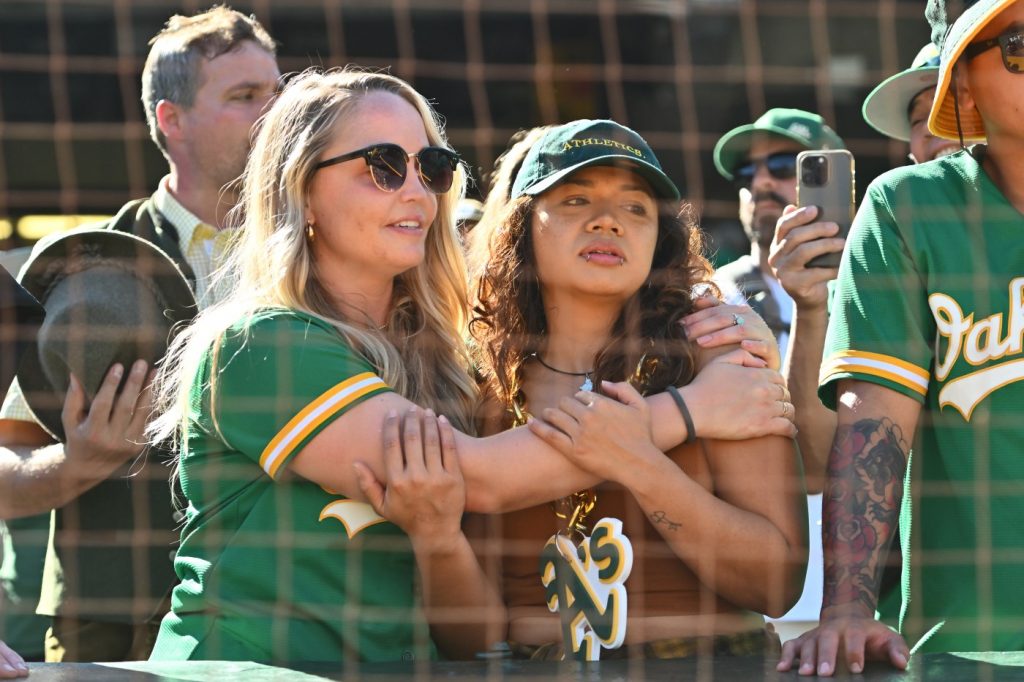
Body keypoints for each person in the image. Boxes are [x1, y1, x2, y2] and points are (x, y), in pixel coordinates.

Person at [145, 69, 799, 664]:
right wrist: (685, 413)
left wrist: (778, 332)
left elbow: (793, 532)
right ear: (301, 191)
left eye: (430, 166)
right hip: (256, 669)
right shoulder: (265, 346)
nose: (415, 190)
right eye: (381, 165)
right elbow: (476, 479)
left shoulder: (449, 362)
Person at [452, 119, 807, 659]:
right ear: (523, 227)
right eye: (574, 200)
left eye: (635, 207)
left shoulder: (719, 357)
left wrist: (640, 463)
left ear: (658, 239)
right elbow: (469, 624)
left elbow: (777, 585)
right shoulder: (481, 381)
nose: (608, 222)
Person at [0, 5, 280, 662]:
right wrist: (78, 463)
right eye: (245, 96)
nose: (275, 113)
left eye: (279, 91)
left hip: (292, 610)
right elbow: (5, 471)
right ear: (171, 120)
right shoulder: (85, 272)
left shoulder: (329, 249)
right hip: (115, 627)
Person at [777, 0, 1024, 675]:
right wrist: (848, 609)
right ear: (961, 84)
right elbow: (874, 419)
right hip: (975, 645)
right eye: (1020, 43)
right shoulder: (907, 208)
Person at [711, 109, 846, 361]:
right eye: (747, 171)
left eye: (782, 165)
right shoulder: (715, 296)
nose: (760, 182)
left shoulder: (870, 289)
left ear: (836, 183)